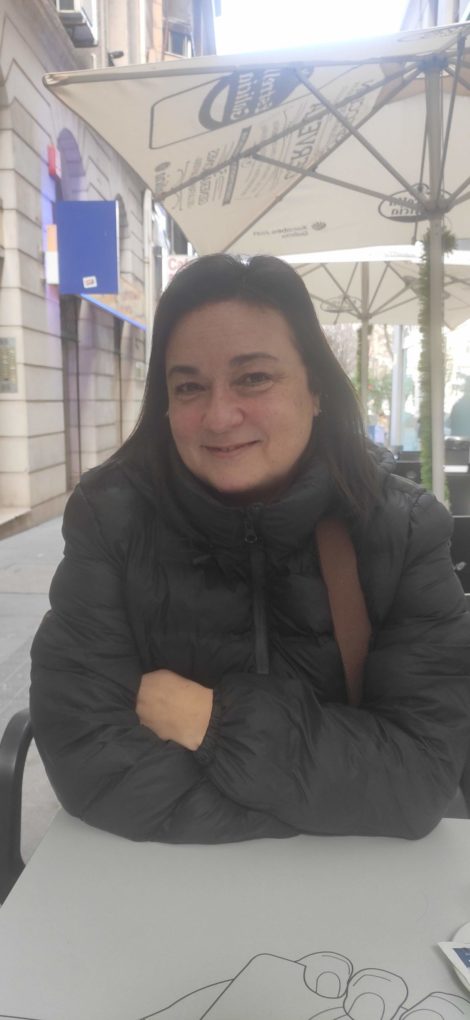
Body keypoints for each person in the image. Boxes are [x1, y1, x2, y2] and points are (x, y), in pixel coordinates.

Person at [30, 254, 470, 844]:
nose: (219, 416)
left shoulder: (401, 529)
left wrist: (211, 721)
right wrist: (333, 797)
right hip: (161, 881)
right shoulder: (111, 520)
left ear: (316, 388)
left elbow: (420, 775)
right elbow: (89, 760)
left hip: (354, 885)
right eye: (189, 386)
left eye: (254, 378)